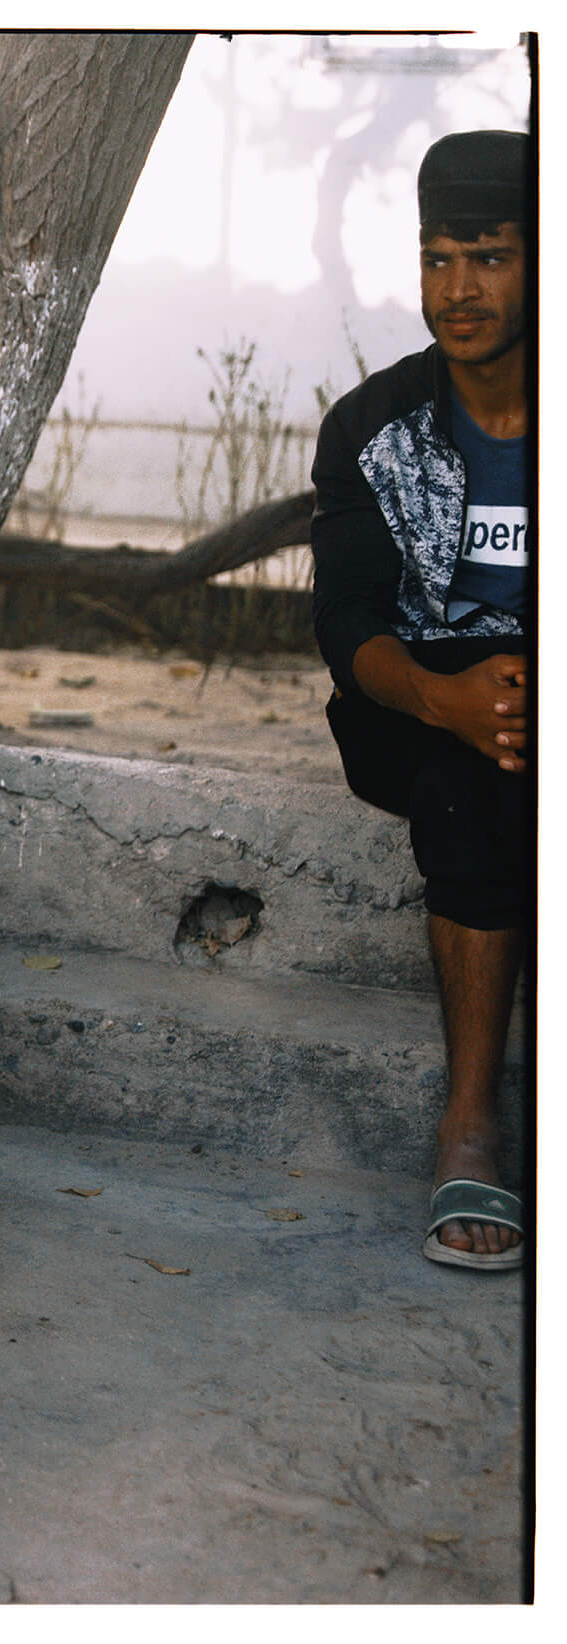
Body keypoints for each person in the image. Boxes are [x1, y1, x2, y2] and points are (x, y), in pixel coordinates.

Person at [310, 130, 531, 1270]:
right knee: (466, 785)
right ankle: (470, 1122)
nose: (458, 289)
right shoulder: (369, 426)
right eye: (438, 258)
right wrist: (444, 699)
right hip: (409, 708)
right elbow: (345, 625)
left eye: (488, 257)